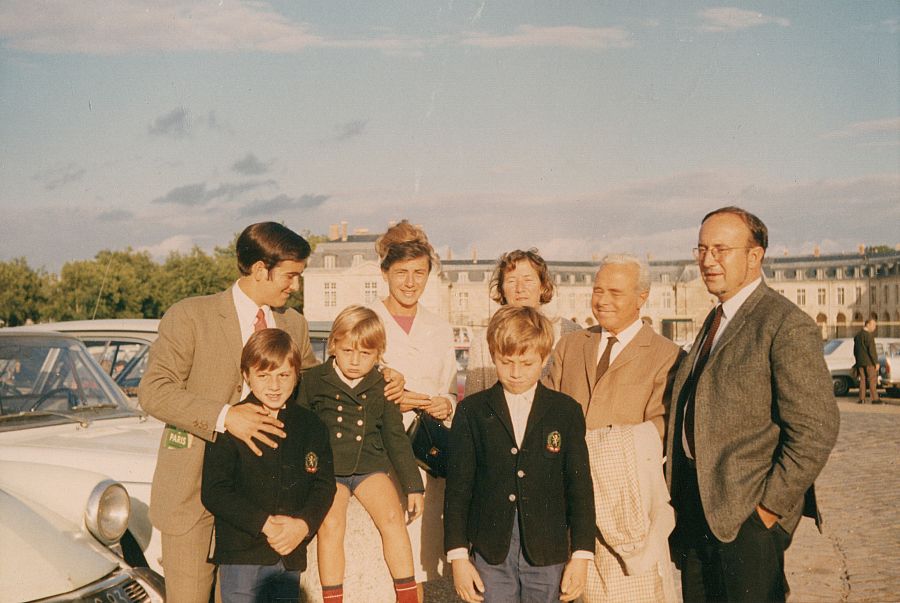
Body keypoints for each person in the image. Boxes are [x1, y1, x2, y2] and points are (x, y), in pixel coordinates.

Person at [139, 221, 405, 602]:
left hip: (265, 513)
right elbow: (154, 391)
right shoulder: (190, 316)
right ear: (261, 269)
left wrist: (381, 377)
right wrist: (226, 416)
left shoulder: (293, 324)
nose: (295, 286)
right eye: (291, 275)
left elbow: (321, 386)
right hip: (192, 496)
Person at [665, 207, 840, 603]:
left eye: (721, 249)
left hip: (746, 522)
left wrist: (767, 510)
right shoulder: (717, 318)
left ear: (754, 256)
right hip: (698, 515)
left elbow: (816, 429)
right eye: (702, 248)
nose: (707, 260)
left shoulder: (783, 323)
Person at [545, 253, 682, 602]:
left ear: (642, 297)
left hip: (624, 515)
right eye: (597, 290)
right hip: (565, 506)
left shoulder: (666, 355)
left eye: (615, 293)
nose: (602, 300)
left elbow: (660, 428)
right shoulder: (570, 345)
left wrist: (595, 451)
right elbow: (544, 413)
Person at [444, 305, 595, 603]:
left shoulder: (566, 411)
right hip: (491, 550)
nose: (515, 373)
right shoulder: (471, 411)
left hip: (546, 551)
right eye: (506, 362)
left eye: (526, 363)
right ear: (492, 355)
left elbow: (579, 488)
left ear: (544, 358)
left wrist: (581, 554)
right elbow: (458, 489)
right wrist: (458, 557)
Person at [297, 305, 424, 603]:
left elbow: (395, 437)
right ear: (333, 346)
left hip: (369, 465)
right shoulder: (313, 380)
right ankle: (332, 599)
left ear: (379, 354)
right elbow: (300, 431)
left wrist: (413, 485)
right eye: (348, 350)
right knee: (331, 523)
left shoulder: (384, 384)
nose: (355, 361)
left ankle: (406, 596)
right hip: (330, 469)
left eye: (365, 354)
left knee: (393, 518)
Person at [201, 328, 336, 603]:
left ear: (297, 373)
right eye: (263, 376)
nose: (274, 386)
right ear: (246, 375)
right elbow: (215, 491)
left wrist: (303, 526)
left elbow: (324, 485)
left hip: (289, 557)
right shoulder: (232, 422)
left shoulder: (312, 426)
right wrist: (265, 524)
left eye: (283, 375)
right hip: (242, 555)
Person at [370, 219, 458, 599]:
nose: (410, 282)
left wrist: (445, 403)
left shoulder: (440, 328)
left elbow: (451, 387)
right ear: (385, 273)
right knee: (380, 557)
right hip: (379, 454)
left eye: (419, 273)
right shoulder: (365, 319)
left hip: (426, 452)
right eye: (401, 272)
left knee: (418, 562)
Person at [464, 249, 580, 397]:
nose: (520, 289)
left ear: (543, 286)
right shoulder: (482, 341)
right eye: (511, 281)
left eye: (528, 280)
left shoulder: (570, 333)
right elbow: (472, 402)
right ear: (501, 289)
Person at [853, 318, 880, 404]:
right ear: (867, 324)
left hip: (860, 362)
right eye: (873, 325)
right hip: (869, 363)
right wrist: (876, 362)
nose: (874, 327)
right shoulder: (869, 335)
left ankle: (862, 399)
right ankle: (875, 399)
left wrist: (857, 361)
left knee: (862, 380)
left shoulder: (857, 336)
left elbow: (855, 350)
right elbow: (872, 350)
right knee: (872, 380)